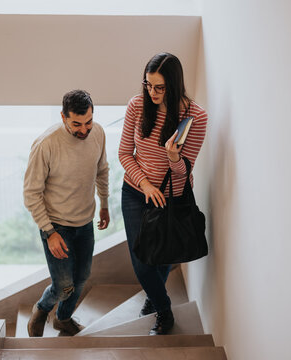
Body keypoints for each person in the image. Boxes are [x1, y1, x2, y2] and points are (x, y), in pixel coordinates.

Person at [118, 52, 207, 335]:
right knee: (143, 261)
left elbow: (183, 172)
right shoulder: (136, 106)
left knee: (165, 254)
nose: (152, 92)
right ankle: (164, 310)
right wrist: (145, 184)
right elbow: (124, 154)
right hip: (135, 193)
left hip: (174, 199)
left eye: (159, 87)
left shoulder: (196, 116)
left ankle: (152, 296)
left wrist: (172, 157)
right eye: (148, 85)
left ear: (174, 85)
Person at [23, 89, 110, 337]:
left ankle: (63, 319)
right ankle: (41, 310)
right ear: (63, 117)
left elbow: (102, 170)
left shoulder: (99, 133)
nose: (84, 130)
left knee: (82, 278)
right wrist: (49, 232)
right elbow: (31, 193)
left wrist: (104, 203)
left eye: (88, 122)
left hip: (85, 221)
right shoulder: (46, 144)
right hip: (56, 225)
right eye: (76, 124)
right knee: (63, 287)